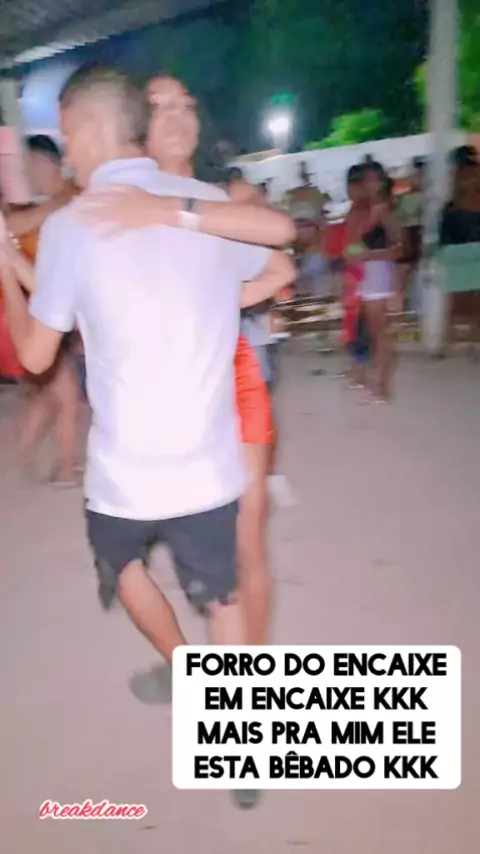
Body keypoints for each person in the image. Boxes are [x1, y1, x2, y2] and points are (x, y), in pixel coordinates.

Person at [0, 66, 295, 694]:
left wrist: (5, 264)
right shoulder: (186, 205)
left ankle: (211, 681)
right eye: (163, 107)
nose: (67, 152)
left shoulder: (91, 220)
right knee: (223, 585)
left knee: (163, 560)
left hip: (159, 446)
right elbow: (276, 267)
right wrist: (209, 299)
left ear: (92, 128)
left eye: (67, 136)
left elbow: (35, 353)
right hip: (204, 454)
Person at [81, 73, 295, 650]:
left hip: (230, 378)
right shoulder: (107, 205)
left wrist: (207, 301)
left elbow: (281, 266)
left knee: (244, 542)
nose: (177, 116)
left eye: (187, 105)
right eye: (160, 107)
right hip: (149, 396)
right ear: (133, 125)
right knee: (159, 541)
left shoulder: (226, 197)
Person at [6, 136, 80, 484]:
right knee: (61, 393)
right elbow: (12, 230)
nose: (29, 173)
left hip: (53, 312)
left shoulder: (70, 197)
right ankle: (62, 467)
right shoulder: (45, 206)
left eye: (34, 164)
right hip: (34, 313)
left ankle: (34, 463)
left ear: (53, 163)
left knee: (48, 395)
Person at [350, 160, 401, 401]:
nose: (369, 184)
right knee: (371, 328)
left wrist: (366, 255)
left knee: (378, 329)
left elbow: (400, 248)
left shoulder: (382, 209)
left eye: (373, 179)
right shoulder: (364, 208)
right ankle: (378, 381)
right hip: (364, 271)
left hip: (375, 271)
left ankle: (383, 383)